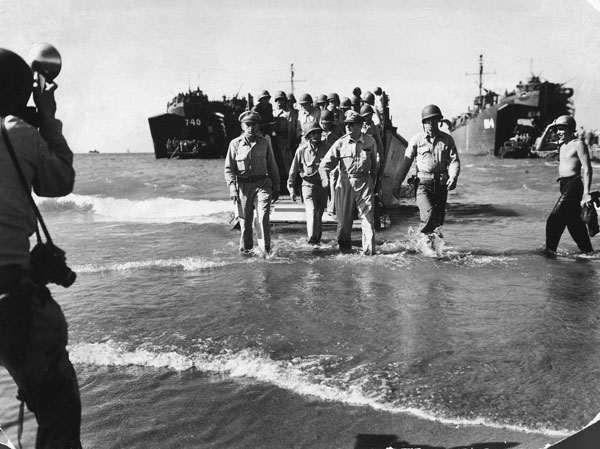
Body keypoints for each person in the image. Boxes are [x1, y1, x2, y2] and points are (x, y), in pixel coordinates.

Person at [0, 48, 82, 448]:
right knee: (59, 417)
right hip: (11, 301)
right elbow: (60, 180)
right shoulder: (19, 133)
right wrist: (46, 116)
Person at [392, 104, 460, 235]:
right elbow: (406, 163)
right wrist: (396, 185)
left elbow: (454, 161)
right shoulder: (417, 140)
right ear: (423, 123)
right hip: (423, 185)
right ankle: (422, 243)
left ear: (439, 121)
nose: (431, 123)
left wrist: (453, 177)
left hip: (441, 186)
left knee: (438, 223)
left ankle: (432, 250)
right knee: (429, 215)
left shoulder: (447, 139)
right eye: (428, 121)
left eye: (434, 120)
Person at [319, 110, 379, 255]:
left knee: (367, 219)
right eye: (346, 124)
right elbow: (324, 165)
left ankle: (369, 254)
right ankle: (344, 251)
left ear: (360, 125)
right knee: (344, 222)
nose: (348, 127)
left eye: (351, 124)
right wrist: (325, 179)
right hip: (345, 182)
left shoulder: (370, 141)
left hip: (364, 181)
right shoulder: (340, 143)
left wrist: (375, 185)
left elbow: (375, 167)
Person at [224, 111, 280, 253]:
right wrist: (232, 189)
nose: (251, 128)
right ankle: (246, 252)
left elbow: (272, 165)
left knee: (263, 216)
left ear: (258, 126)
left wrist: (277, 185)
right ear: (242, 126)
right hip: (243, 187)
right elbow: (229, 169)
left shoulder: (264, 143)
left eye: (254, 124)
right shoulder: (235, 144)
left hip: (262, 184)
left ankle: (265, 251)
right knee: (245, 224)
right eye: (247, 124)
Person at [542, 115, 594, 255]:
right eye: (557, 129)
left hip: (574, 185)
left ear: (571, 130)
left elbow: (588, 168)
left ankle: (549, 252)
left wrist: (586, 193)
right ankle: (588, 253)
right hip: (564, 185)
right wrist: (548, 128)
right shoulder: (561, 144)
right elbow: (539, 147)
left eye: (561, 129)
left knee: (554, 219)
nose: (558, 132)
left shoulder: (578, 144)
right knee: (574, 223)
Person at [288, 122, 331, 244]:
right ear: (308, 136)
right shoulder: (301, 150)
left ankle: (317, 241)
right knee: (311, 212)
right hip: (307, 186)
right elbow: (293, 170)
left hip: (322, 187)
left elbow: (334, 167)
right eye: (313, 133)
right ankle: (311, 240)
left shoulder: (327, 148)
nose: (317, 135)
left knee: (319, 215)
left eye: (318, 132)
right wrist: (291, 188)